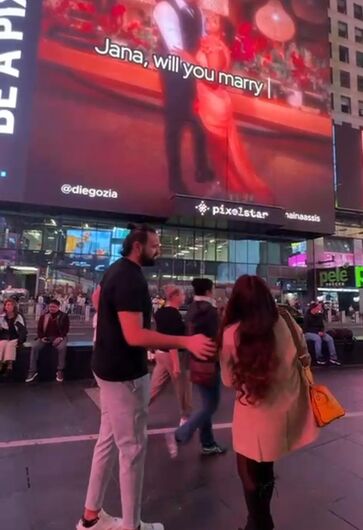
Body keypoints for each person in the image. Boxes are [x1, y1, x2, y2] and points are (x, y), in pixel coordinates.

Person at [77, 224, 215, 530]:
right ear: (138, 246)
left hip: (105, 368)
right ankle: (132, 526)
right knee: (133, 449)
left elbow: (100, 301)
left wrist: (111, 330)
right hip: (124, 374)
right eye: (155, 245)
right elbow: (136, 335)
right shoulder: (132, 278)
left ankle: (91, 516)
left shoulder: (114, 270)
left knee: (107, 441)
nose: (159, 250)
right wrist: (186, 342)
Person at [219, 275, 318, 530]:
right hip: (286, 409)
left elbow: (228, 380)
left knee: (248, 468)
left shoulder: (232, 334)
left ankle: (259, 521)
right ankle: (262, 520)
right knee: (266, 465)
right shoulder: (286, 322)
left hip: (252, 411)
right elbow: (304, 356)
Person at [174, 13, 273, 203]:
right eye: (209, 19)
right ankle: (230, 191)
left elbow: (211, 80)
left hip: (214, 106)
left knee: (223, 156)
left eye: (214, 20)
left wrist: (189, 60)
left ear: (223, 30)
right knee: (221, 155)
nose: (209, 21)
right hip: (211, 103)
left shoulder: (215, 46)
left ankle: (235, 194)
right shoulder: (212, 44)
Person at [153, 0, 214, 194]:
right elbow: (177, 50)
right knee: (175, 125)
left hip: (194, 72)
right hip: (174, 75)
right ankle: (175, 179)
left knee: (201, 121)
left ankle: (202, 168)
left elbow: (204, 40)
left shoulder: (197, 10)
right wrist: (205, 70)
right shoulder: (165, 8)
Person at [171, 278, 225, 456]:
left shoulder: (192, 309)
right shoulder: (210, 311)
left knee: (206, 404)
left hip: (193, 361)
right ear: (209, 291)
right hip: (209, 362)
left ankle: (208, 442)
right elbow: (217, 337)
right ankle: (182, 432)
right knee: (211, 405)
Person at [150, 285, 192, 426]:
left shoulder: (160, 313)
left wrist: (153, 350)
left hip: (161, 354)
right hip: (173, 355)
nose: (184, 297)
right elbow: (173, 339)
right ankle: (185, 417)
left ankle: (137, 413)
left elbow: (159, 334)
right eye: (182, 294)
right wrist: (176, 365)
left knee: (154, 387)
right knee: (183, 388)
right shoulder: (174, 315)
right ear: (174, 297)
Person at [25, 299, 70, 383]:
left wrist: (60, 338)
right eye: (50, 306)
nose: (51, 308)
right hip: (45, 337)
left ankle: (60, 370)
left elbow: (66, 329)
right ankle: (32, 371)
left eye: (54, 307)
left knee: (62, 348)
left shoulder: (64, 316)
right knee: (34, 347)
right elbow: (39, 329)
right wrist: (41, 337)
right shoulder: (44, 316)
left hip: (59, 337)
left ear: (58, 307)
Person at [0, 298, 27, 375]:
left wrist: (20, 341)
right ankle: (1, 365)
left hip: (16, 337)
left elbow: (23, 331)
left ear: (14, 306)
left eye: (9, 305)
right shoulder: (2, 317)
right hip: (5, 337)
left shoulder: (18, 316)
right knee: (2, 344)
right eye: (6, 305)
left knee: (10, 345)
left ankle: (9, 366)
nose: (7, 306)